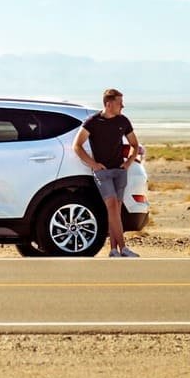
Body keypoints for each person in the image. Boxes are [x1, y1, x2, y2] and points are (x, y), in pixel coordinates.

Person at [72, 88, 141, 258]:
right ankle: (123, 248)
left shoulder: (123, 121)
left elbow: (135, 144)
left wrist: (128, 163)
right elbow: (77, 145)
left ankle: (113, 250)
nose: (122, 106)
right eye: (119, 103)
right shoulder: (92, 122)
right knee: (111, 206)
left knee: (115, 210)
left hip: (120, 171)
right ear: (109, 104)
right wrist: (93, 164)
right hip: (103, 173)